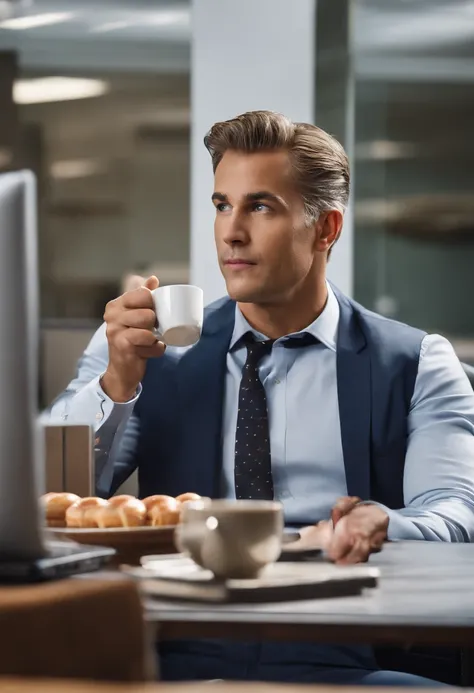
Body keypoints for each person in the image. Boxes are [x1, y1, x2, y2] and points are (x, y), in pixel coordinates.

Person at [49, 110, 474, 685]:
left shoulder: (418, 362)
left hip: (347, 650)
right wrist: (115, 387)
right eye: (223, 204)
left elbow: (455, 512)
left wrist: (382, 522)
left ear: (326, 229)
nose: (231, 232)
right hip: (176, 649)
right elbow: (49, 503)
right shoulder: (143, 348)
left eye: (261, 206)